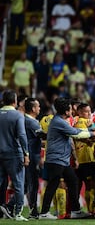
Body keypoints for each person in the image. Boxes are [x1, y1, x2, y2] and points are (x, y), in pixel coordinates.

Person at [39, 97, 95, 220]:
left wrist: (88, 130)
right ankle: (44, 213)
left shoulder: (58, 120)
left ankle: (75, 211)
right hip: (56, 159)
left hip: (61, 160)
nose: (72, 112)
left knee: (73, 181)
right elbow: (75, 133)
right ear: (66, 112)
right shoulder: (59, 122)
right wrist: (93, 133)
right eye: (71, 110)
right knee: (53, 184)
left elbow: (74, 130)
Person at [0, 90, 29, 221]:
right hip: (13, 154)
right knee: (18, 184)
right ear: (15, 101)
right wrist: (26, 153)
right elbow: (22, 135)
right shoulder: (18, 115)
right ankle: (17, 213)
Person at [24, 97, 43, 219]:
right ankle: (33, 210)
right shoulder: (31, 122)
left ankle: (33, 209)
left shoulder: (26, 120)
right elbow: (42, 135)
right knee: (32, 183)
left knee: (29, 183)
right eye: (38, 106)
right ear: (33, 108)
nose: (39, 108)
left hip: (30, 154)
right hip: (32, 155)